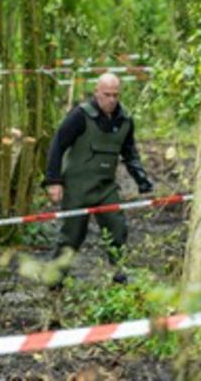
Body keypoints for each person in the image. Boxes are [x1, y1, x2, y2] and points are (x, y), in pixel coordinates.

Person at [43, 72, 153, 285]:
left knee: (117, 229)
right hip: (77, 187)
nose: (111, 100)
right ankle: (54, 279)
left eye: (115, 95)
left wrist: (141, 179)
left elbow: (130, 153)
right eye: (107, 94)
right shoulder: (80, 116)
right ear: (97, 93)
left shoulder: (125, 121)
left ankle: (119, 274)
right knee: (72, 236)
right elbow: (58, 145)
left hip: (105, 188)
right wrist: (53, 180)